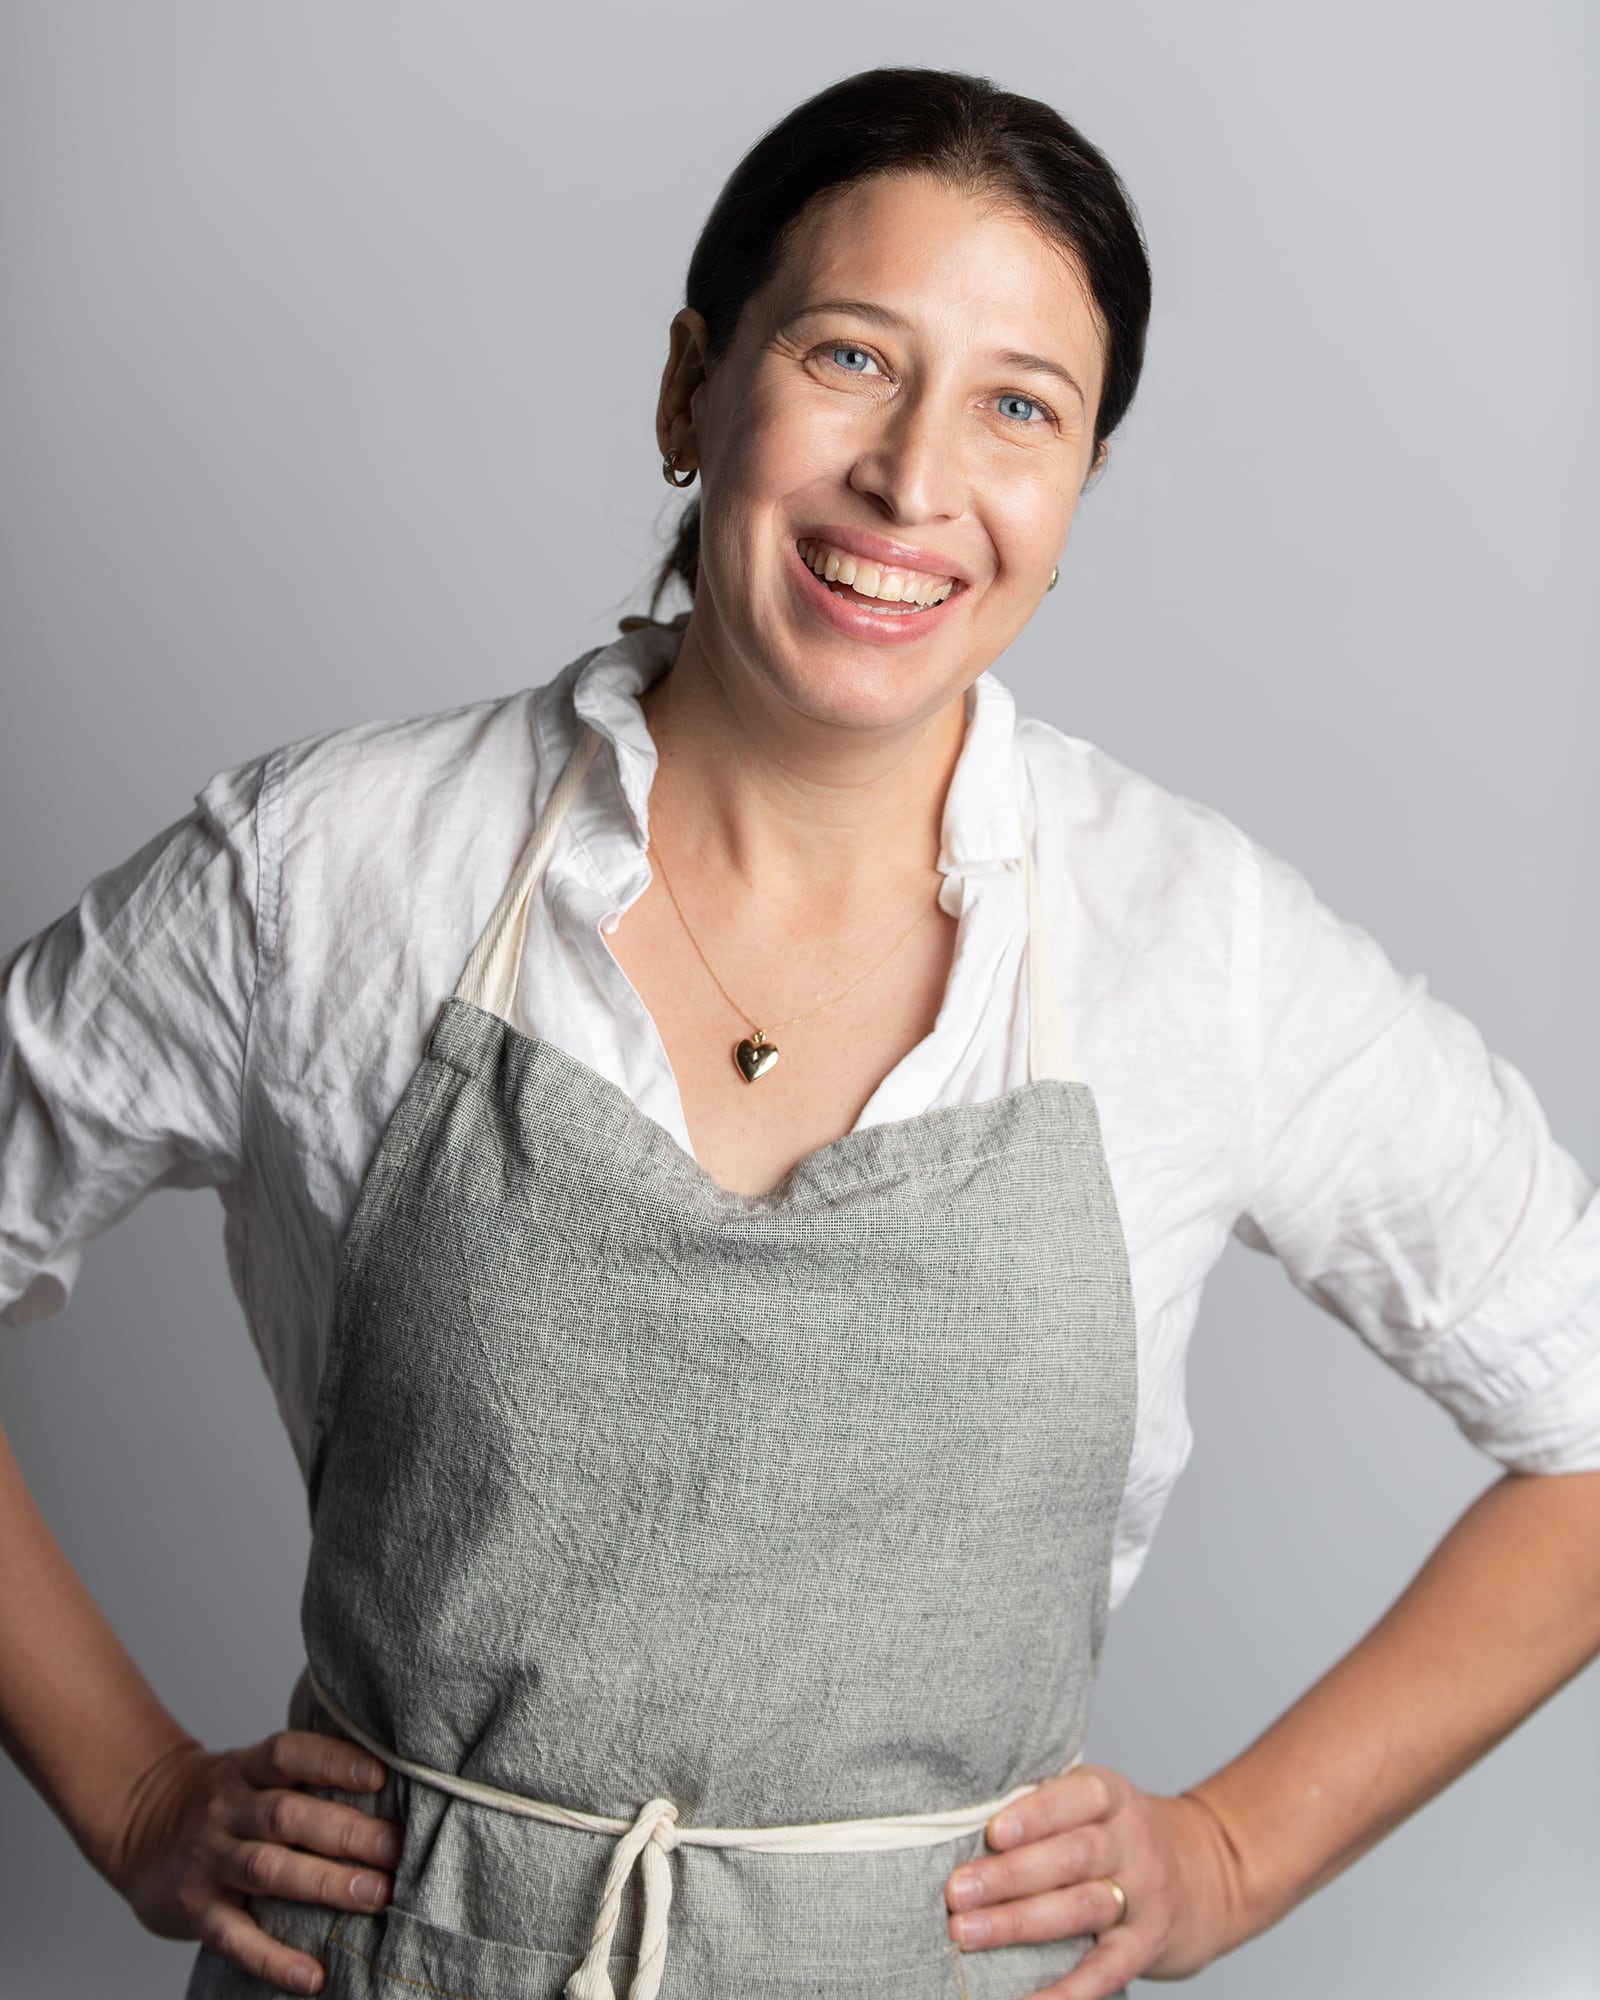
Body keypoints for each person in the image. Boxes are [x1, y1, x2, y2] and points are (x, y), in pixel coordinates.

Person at [2, 62, 1597, 2000]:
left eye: (1019, 406)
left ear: (1075, 490)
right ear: (693, 389)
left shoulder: (1197, 943)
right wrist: (131, 1788)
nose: (914, 482)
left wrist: (1238, 1852)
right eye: (850, 358)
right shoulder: (333, 869)